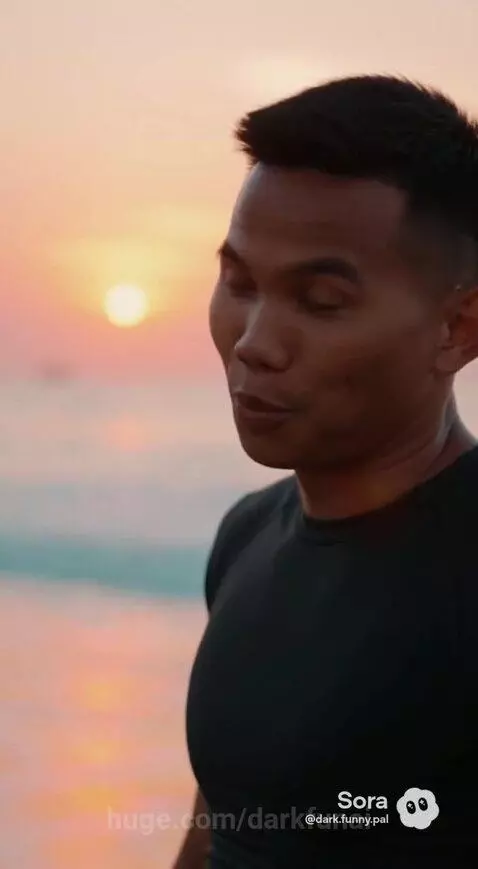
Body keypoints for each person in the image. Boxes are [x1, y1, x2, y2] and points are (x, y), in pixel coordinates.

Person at [172, 75, 478, 868]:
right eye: (240, 283)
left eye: (319, 300)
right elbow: (226, 826)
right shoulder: (248, 535)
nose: (254, 342)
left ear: (458, 326)